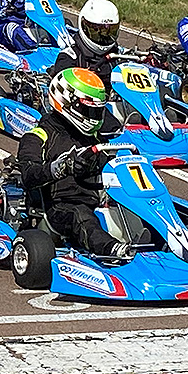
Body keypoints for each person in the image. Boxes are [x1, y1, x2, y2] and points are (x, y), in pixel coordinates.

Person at [17, 68, 133, 258]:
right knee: (80, 215)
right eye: (88, 110)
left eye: (97, 111)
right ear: (66, 102)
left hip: (99, 202)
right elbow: (28, 175)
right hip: (58, 207)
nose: (94, 116)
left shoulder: (95, 138)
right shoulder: (38, 136)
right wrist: (60, 168)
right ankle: (112, 251)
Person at [52, 0, 125, 76]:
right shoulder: (69, 58)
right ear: (84, 27)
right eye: (96, 31)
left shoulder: (119, 55)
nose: (104, 37)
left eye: (110, 32)